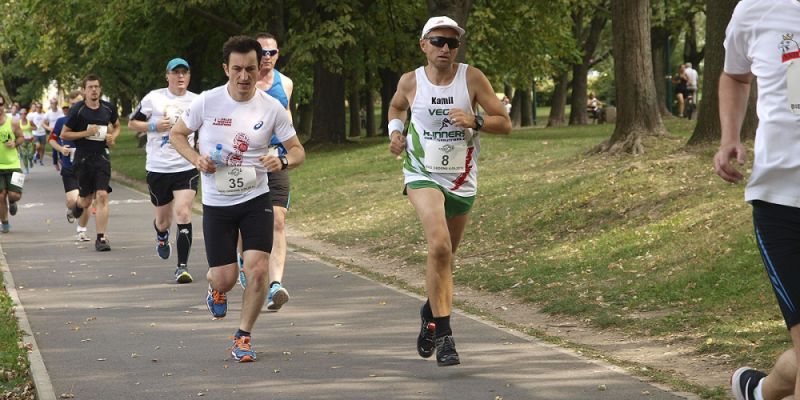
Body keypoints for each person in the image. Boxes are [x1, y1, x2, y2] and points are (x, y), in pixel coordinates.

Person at [170, 35, 305, 362]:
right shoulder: (207, 101)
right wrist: (195, 159)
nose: (244, 76)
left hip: (255, 198)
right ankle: (215, 287)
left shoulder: (272, 108)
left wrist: (282, 160)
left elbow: (298, 150)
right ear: (225, 69)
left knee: (257, 269)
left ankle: (243, 336)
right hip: (218, 204)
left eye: (250, 69)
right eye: (237, 69)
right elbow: (177, 135)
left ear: (260, 68)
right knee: (226, 277)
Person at [388, 16, 511, 367]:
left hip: (461, 178)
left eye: (452, 43)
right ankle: (444, 336)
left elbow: (505, 122)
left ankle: (429, 312)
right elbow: (397, 107)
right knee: (438, 245)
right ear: (423, 44)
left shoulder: (471, 78)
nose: (445, 48)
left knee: (445, 258)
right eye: (438, 41)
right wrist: (395, 133)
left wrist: (476, 121)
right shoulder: (410, 81)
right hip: (421, 172)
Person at [715, 1, 800, 399]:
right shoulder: (756, 9)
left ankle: (761, 391)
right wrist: (729, 136)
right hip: (783, 204)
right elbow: (735, 76)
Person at [236, 32, 294, 311]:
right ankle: (243, 259)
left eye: (272, 52)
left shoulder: (286, 84)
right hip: (246, 160)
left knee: (278, 220)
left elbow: (288, 118)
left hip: (275, 158)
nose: (268, 57)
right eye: (263, 53)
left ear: (278, 54)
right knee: (243, 220)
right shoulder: (242, 82)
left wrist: (289, 150)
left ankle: (275, 285)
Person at [128, 58, 198, 284]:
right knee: (164, 221)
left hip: (186, 166)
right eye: (175, 73)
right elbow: (132, 123)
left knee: (184, 213)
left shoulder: (197, 101)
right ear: (167, 75)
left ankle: (182, 267)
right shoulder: (153, 98)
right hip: (158, 168)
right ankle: (161, 236)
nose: (180, 77)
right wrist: (153, 126)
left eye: (184, 73)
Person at [61, 74, 121, 252]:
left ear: (100, 89)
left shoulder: (108, 108)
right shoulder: (77, 110)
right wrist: (85, 134)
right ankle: (76, 208)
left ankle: (101, 238)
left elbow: (117, 126)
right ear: (85, 90)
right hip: (83, 158)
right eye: (90, 87)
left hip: (101, 157)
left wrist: (112, 138)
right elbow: (65, 134)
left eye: (96, 86)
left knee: (102, 194)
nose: (94, 90)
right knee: (86, 201)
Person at [49, 90, 91, 241]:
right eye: (72, 104)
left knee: (87, 199)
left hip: (86, 166)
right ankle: (72, 210)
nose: (75, 106)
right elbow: (52, 139)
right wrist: (61, 149)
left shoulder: (90, 120)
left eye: (78, 103)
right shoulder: (62, 122)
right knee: (74, 202)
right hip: (69, 167)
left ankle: (82, 230)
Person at [0, 94, 25, 233]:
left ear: (4, 105)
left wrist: (15, 143)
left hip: (14, 165)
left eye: (1, 104)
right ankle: (4, 223)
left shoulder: (13, 122)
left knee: (14, 194)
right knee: (0, 195)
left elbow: (22, 137)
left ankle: (13, 201)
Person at [43, 97, 64, 170]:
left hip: (61, 132)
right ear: (50, 104)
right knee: (55, 150)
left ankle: (62, 161)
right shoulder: (48, 113)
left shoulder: (60, 111)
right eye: (52, 103)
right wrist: (48, 128)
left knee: (61, 146)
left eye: (55, 103)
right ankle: (55, 163)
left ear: (57, 104)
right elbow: (43, 123)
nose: (54, 105)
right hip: (53, 132)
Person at [17, 108, 34, 174]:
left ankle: (31, 160)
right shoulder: (18, 122)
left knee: (30, 154)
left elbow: (36, 127)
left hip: (30, 140)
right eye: (21, 114)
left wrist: (32, 128)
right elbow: (16, 131)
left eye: (24, 113)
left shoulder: (30, 121)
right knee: (24, 155)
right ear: (20, 114)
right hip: (22, 141)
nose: (23, 115)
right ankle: (26, 168)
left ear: (26, 114)